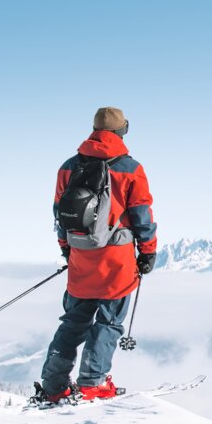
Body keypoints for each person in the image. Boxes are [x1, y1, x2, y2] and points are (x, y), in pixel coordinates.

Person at [38, 107, 158, 404]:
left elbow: (60, 212)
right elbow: (141, 212)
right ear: (122, 132)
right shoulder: (130, 168)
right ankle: (92, 384)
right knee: (108, 322)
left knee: (73, 321)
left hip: (81, 257)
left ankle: (53, 386)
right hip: (117, 260)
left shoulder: (68, 166)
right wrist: (148, 251)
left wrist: (67, 249)